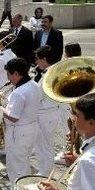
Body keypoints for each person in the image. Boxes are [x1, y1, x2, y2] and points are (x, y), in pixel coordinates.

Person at [0, 58, 41, 190]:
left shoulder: (19, 92)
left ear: (16, 74)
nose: (8, 78)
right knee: (23, 166)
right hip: (30, 129)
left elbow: (13, 116)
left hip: (18, 132)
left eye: (9, 75)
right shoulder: (34, 85)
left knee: (15, 168)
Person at [33, 46, 60, 176]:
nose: (36, 62)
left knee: (45, 145)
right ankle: (44, 169)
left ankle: (46, 172)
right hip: (47, 112)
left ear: (44, 59)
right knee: (42, 144)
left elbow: (40, 95)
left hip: (46, 113)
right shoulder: (49, 72)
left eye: (37, 59)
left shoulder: (49, 74)